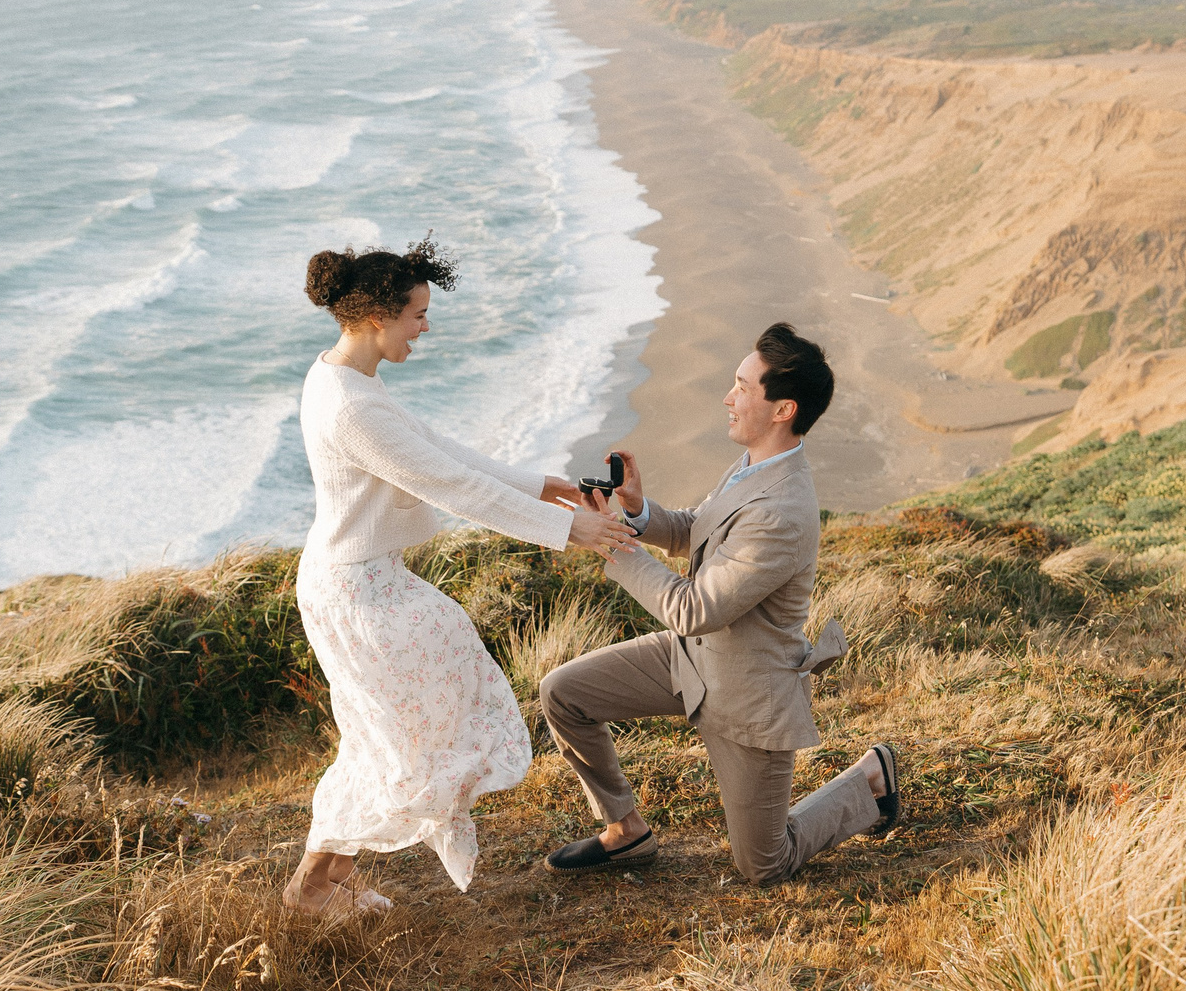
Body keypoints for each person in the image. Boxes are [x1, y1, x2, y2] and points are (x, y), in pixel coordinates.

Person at [287, 236, 633, 917]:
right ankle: (314, 886)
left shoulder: (346, 379)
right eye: (417, 315)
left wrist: (544, 486)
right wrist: (568, 529)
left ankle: (318, 884)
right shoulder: (351, 406)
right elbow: (449, 483)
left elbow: (438, 449)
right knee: (401, 734)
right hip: (352, 591)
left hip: (364, 581)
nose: (424, 327)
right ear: (378, 317)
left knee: (392, 733)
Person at [538, 323, 899, 885]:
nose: (728, 398)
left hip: (748, 692)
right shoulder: (755, 464)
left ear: (783, 410)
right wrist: (636, 511)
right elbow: (696, 532)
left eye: (742, 387)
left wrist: (613, 541)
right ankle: (625, 830)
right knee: (563, 692)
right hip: (690, 658)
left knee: (763, 865)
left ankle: (870, 781)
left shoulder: (783, 510)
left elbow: (693, 610)